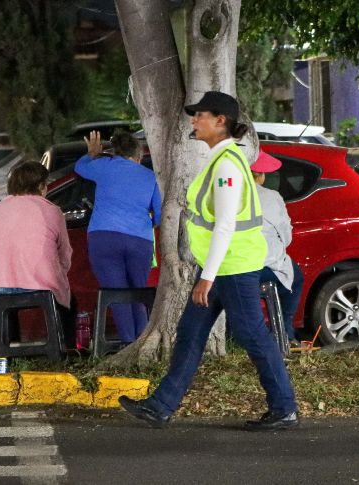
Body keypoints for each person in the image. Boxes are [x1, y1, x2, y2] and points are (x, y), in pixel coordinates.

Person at [119, 91, 299, 431]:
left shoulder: (228, 165)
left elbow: (226, 224)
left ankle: (284, 407)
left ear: (220, 121)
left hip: (232, 267)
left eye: (200, 115)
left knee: (252, 336)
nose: (193, 120)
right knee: (190, 332)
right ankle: (161, 406)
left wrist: (207, 277)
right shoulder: (223, 160)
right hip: (222, 266)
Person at [74, 129, 162, 344]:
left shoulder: (105, 166)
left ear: (115, 152)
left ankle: (127, 344)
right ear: (138, 156)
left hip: (103, 239)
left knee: (117, 293)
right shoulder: (150, 176)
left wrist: (92, 154)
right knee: (138, 293)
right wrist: (142, 226)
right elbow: (159, 215)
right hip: (139, 241)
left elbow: (79, 167)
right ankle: (141, 345)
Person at [0, 161, 73, 311]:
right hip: (38, 284)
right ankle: (60, 334)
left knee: (3, 312)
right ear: (39, 186)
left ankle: (2, 334)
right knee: (69, 305)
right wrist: (59, 274)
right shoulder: (52, 211)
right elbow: (64, 253)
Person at [249, 150, 305, 347]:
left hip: (236, 266)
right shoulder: (272, 197)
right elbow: (286, 236)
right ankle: (285, 332)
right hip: (266, 267)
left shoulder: (230, 194)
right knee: (295, 279)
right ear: (261, 175)